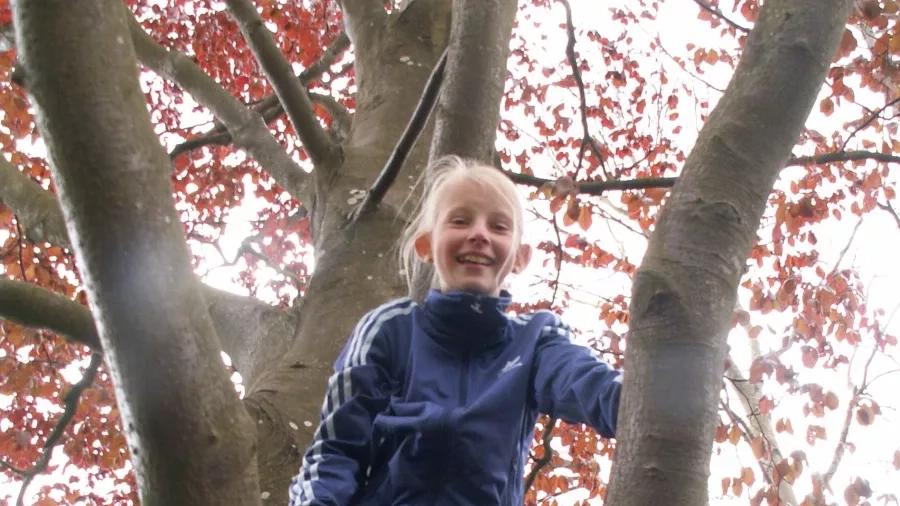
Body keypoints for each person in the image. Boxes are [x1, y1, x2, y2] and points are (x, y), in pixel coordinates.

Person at [288, 155, 623, 506]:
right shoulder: (391, 330)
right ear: (426, 246)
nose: (479, 234)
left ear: (520, 257)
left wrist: (657, 396)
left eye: (499, 227)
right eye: (460, 221)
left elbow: (591, 385)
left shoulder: (535, 341)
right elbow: (335, 451)